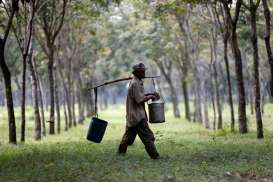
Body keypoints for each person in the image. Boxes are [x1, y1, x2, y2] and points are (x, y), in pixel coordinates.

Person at [117, 63, 160, 159]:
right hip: (138, 116)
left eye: (144, 71)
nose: (144, 73)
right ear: (137, 72)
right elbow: (139, 99)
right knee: (148, 137)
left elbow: (138, 95)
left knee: (128, 138)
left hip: (133, 116)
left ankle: (120, 154)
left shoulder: (136, 82)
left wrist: (148, 94)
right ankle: (155, 156)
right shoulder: (135, 83)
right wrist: (151, 96)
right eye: (142, 71)